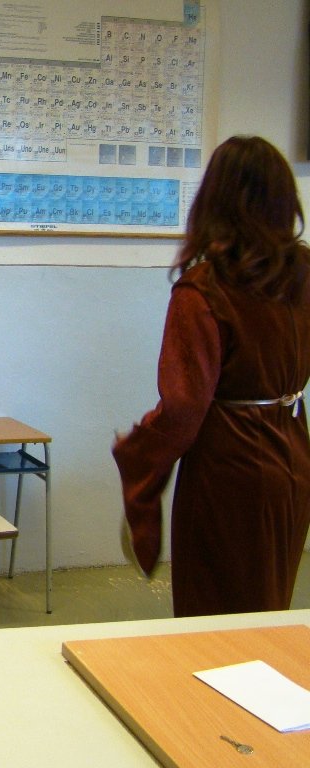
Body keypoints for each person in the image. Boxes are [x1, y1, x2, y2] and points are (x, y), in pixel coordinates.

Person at [113, 135, 310, 617]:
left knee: (216, 618)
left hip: (230, 468)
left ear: (214, 199)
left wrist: (138, 454)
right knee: (268, 603)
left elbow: (183, 407)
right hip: (293, 454)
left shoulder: (205, 289)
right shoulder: (304, 271)